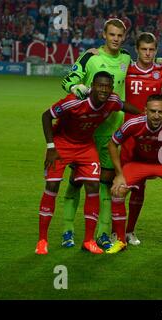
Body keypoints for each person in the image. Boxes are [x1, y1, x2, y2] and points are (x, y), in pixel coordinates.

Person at [35, 71, 140, 255]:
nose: (104, 90)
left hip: (85, 147)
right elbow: (46, 116)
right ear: (92, 85)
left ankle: (88, 241)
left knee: (93, 186)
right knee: (52, 186)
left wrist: (143, 114)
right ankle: (42, 240)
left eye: (107, 87)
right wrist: (51, 147)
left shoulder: (112, 101)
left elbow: (124, 106)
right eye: (100, 86)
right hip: (62, 144)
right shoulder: (74, 101)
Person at [60, 19, 132, 250]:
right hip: (86, 131)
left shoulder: (126, 58)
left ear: (124, 36)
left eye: (120, 35)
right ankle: (68, 230)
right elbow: (69, 79)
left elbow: (147, 65)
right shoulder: (90, 57)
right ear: (104, 34)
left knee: (105, 184)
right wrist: (76, 88)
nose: (116, 38)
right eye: (112, 34)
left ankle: (102, 233)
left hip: (111, 134)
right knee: (76, 182)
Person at [106, 94, 162, 255]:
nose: (156, 115)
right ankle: (120, 240)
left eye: (160, 112)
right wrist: (118, 174)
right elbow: (112, 143)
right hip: (139, 163)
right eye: (153, 111)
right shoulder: (133, 123)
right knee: (118, 190)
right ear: (145, 111)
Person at [121, 32, 162, 247]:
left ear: (156, 51)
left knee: (140, 187)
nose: (148, 53)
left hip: (152, 137)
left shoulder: (161, 70)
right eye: (144, 49)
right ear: (136, 50)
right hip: (128, 135)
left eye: (151, 49)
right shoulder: (127, 69)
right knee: (121, 185)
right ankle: (115, 232)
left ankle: (129, 231)